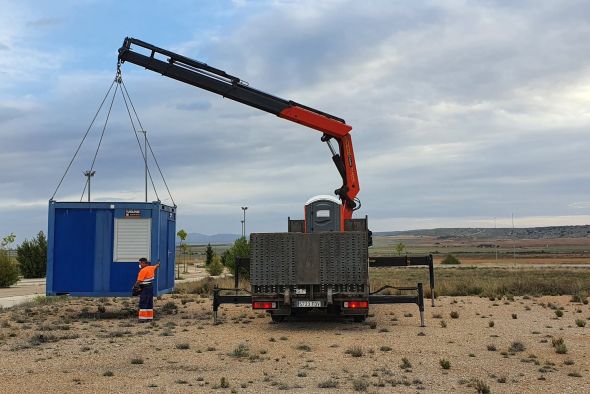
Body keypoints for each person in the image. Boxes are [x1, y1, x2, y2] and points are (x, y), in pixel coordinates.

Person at [134, 258, 160, 322]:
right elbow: (156, 266)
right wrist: (158, 264)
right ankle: (149, 317)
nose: (139, 264)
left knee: (143, 301)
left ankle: (142, 318)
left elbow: (139, 280)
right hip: (150, 287)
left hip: (144, 287)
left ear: (143, 263)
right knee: (149, 302)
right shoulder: (151, 267)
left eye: (140, 263)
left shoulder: (143, 271)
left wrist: (135, 287)